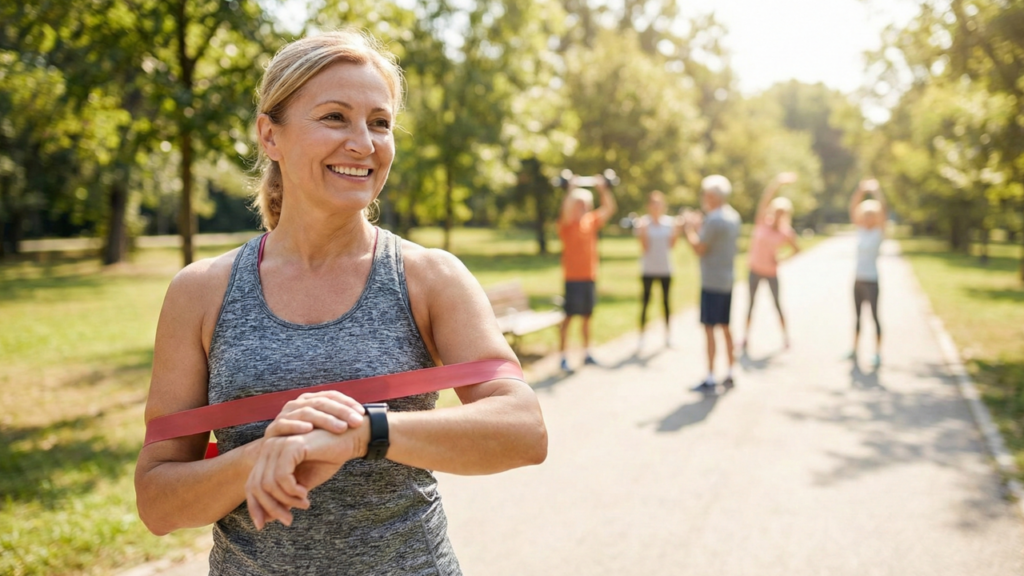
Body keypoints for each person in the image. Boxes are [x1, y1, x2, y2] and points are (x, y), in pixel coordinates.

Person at [134, 31, 547, 575]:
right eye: (334, 117)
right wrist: (263, 457)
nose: (363, 142)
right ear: (269, 135)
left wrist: (364, 434)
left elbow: (523, 429)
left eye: (380, 122)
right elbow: (158, 500)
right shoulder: (201, 291)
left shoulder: (429, 277)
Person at [680, 175, 741, 391]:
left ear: (714, 196)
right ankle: (731, 371)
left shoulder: (715, 220)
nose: (703, 199)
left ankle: (710, 376)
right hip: (726, 279)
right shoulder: (733, 217)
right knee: (726, 327)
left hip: (712, 282)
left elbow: (699, 248)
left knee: (709, 330)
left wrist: (688, 228)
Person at [557, 176, 617, 372]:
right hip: (572, 279)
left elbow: (609, 208)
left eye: (585, 204)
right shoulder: (566, 224)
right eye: (578, 204)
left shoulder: (590, 221)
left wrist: (602, 189)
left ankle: (586, 352)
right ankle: (563, 356)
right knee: (568, 318)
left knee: (587, 316)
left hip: (589, 277)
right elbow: (565, 210)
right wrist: (570, 191)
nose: (582, 207)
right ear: (572, 204)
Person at [742, 172, 801, 353]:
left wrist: (781, 259)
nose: (778, 215)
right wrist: (778, 183)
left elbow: (797, 249)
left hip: (771, 272)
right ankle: (745, 337)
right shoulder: (762, 222)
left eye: (781, 213)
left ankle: (785, 337)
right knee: (750, 304)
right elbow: (764, 199)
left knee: (777, 304)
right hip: (754, 269)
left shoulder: (785, 232)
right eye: (776, 211)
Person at [849, 178, 886, 367]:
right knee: (856, 317)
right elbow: (853, 207)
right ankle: (854, 350)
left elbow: (883, 211)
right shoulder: (861, 230)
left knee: (874, 317)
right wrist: (861, 189)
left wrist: (876, 191)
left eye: (872, 215)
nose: (869, 218)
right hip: (857, 280)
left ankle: (877, 353)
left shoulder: (878, 233)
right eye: (866, 214)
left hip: (872, 280)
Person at [635, 190, 677, 350]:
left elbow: (672, 246)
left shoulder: (669, 223)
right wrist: (643, 232)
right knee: (645, 302)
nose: (656, 207)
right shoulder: (644, 223)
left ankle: (667, 335)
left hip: (665, 269)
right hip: (648, 269)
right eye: (653, 204)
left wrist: (677, 232)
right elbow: (644, 247)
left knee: (666, 302)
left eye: (659, 204)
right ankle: (642, 336)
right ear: (649, 206)